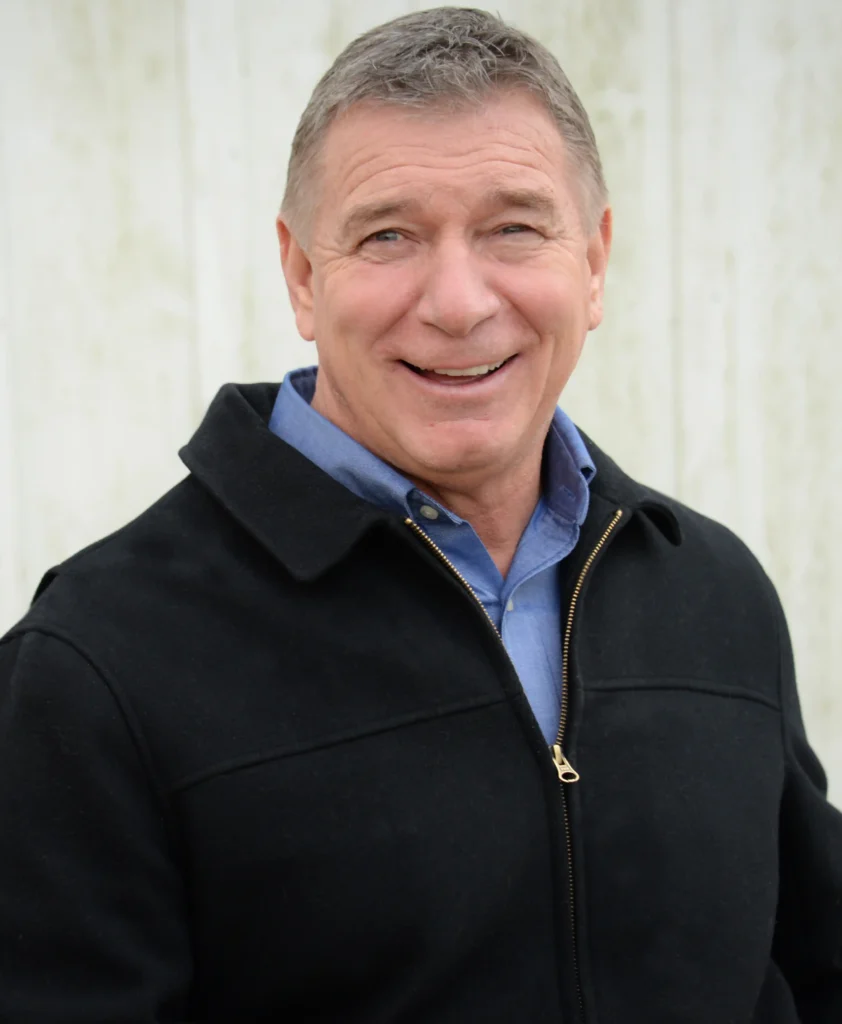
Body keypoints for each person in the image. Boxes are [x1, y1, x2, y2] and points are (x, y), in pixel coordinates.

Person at [1, 6, 840, 1021]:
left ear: (594, 263)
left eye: (514, 228)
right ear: (304, 275)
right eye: (388, 234)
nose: (455, 300)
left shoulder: (712, 595)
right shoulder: (94, 664)